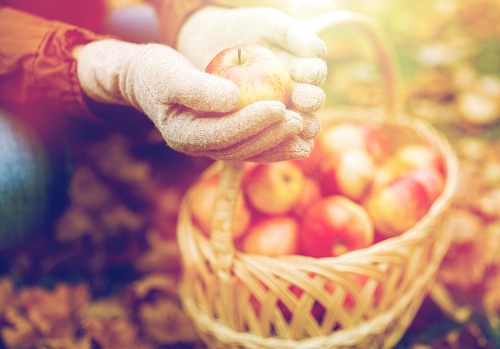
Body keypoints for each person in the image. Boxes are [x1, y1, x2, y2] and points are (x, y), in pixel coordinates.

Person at [0, 0, 328, 248]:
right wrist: (108, 70)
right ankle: (56, 153)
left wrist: (191, 18)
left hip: (78, 24)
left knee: (167, 53)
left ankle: (87, 125)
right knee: (10, 180)